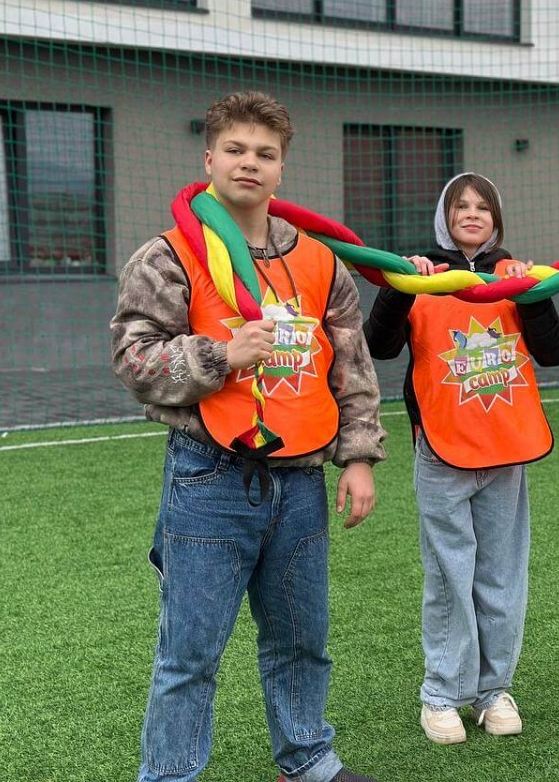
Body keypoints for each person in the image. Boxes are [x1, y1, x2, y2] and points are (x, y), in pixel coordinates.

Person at [111, 91, 385, 782]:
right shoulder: (169, 255)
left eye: (265, 153)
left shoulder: (321, 262)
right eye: (235, 149)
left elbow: (352, 368)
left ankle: (308, 757)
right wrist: (219, 356)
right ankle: (169, 774)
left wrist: (357, 458)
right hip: (208, 478)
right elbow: (134, 359)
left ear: (282, 168)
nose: (249, 163)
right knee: (190, 655)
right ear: (209, 158)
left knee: (302, 640)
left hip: (302, 481)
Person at [364, 172, 559, 745]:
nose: (472, 214)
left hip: (507, 450)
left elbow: (554, 352)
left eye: (483, 206)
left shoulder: (514, 275)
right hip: (442, 449)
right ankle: (441, 694)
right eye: (461, 206)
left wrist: (530, 292)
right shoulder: (421, 274)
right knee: (449, 574)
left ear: (496, 218)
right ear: (444, 216)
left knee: (501, 575)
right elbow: (379, 345)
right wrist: (400, 285)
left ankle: (493, 690)